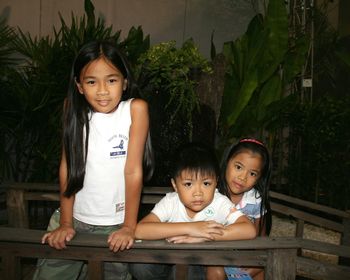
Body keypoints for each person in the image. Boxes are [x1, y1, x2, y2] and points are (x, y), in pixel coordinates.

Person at [33, 40, 153, 280]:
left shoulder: (135, 109)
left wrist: (129, 227)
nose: (102, 90)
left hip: (116, 224)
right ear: (79, 86)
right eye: (91, 81)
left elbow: (133, 171)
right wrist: (66, 222)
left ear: (125, 81)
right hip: (74, 217)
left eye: (111, 80)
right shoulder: (73, 110)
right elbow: (68, 167)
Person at [129, 142, 256, 280]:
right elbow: (140, 230)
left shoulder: (219, 203)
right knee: (139, 266)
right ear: (175, 185)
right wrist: (191, 228)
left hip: (199, 264)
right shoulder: (171, 202)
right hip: (168, 260)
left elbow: (249, 229)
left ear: (216, 182)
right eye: (188, 184)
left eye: (206, 183)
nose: (198, 193)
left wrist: (205, 236)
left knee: (189, 268)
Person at [219, 138, 272, 280]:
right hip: (215, 254)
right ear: (227, 162)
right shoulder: (212, 194)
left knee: (260, 272)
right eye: (238, 167)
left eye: (252, 173)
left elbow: (261, 237)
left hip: (246, 257)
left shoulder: (255, 200)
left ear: (259, 177)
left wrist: (255, 266)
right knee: (216, 272)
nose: (242, 177)